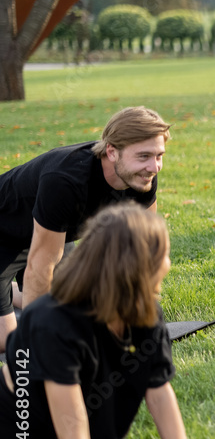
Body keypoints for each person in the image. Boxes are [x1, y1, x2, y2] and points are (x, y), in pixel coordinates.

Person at [0, 204, 215, 439]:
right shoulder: (53, 323)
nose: (168, 266)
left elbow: (159, 391)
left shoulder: (144, 312)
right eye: (164, 257)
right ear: (135, 269)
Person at [0, 106, 169, 353]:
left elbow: (141, 250)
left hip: (50, 235)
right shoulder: (66, 180)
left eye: (159, 156)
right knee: (11, 342)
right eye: (143, 156)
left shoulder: (141, 178)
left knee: (83, 310)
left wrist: (139, 312)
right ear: (112, 151)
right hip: (5, 236)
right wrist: (41, 342)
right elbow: (40, 265)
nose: (154, 167)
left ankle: (13, 292)